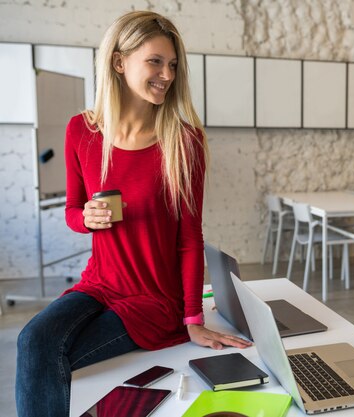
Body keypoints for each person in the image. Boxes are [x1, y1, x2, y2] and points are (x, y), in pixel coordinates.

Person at [16, 11, 251, 417]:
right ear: (120, 62)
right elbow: (74, 212)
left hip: (153, 301)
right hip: (99, 285)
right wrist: (86, 218)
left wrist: (192, 316)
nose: (167, 74)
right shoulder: (81, 131)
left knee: (53, 358)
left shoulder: (184, 141)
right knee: (34, 340)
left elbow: (190, 239)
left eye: (173, 65)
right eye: (155, 61)